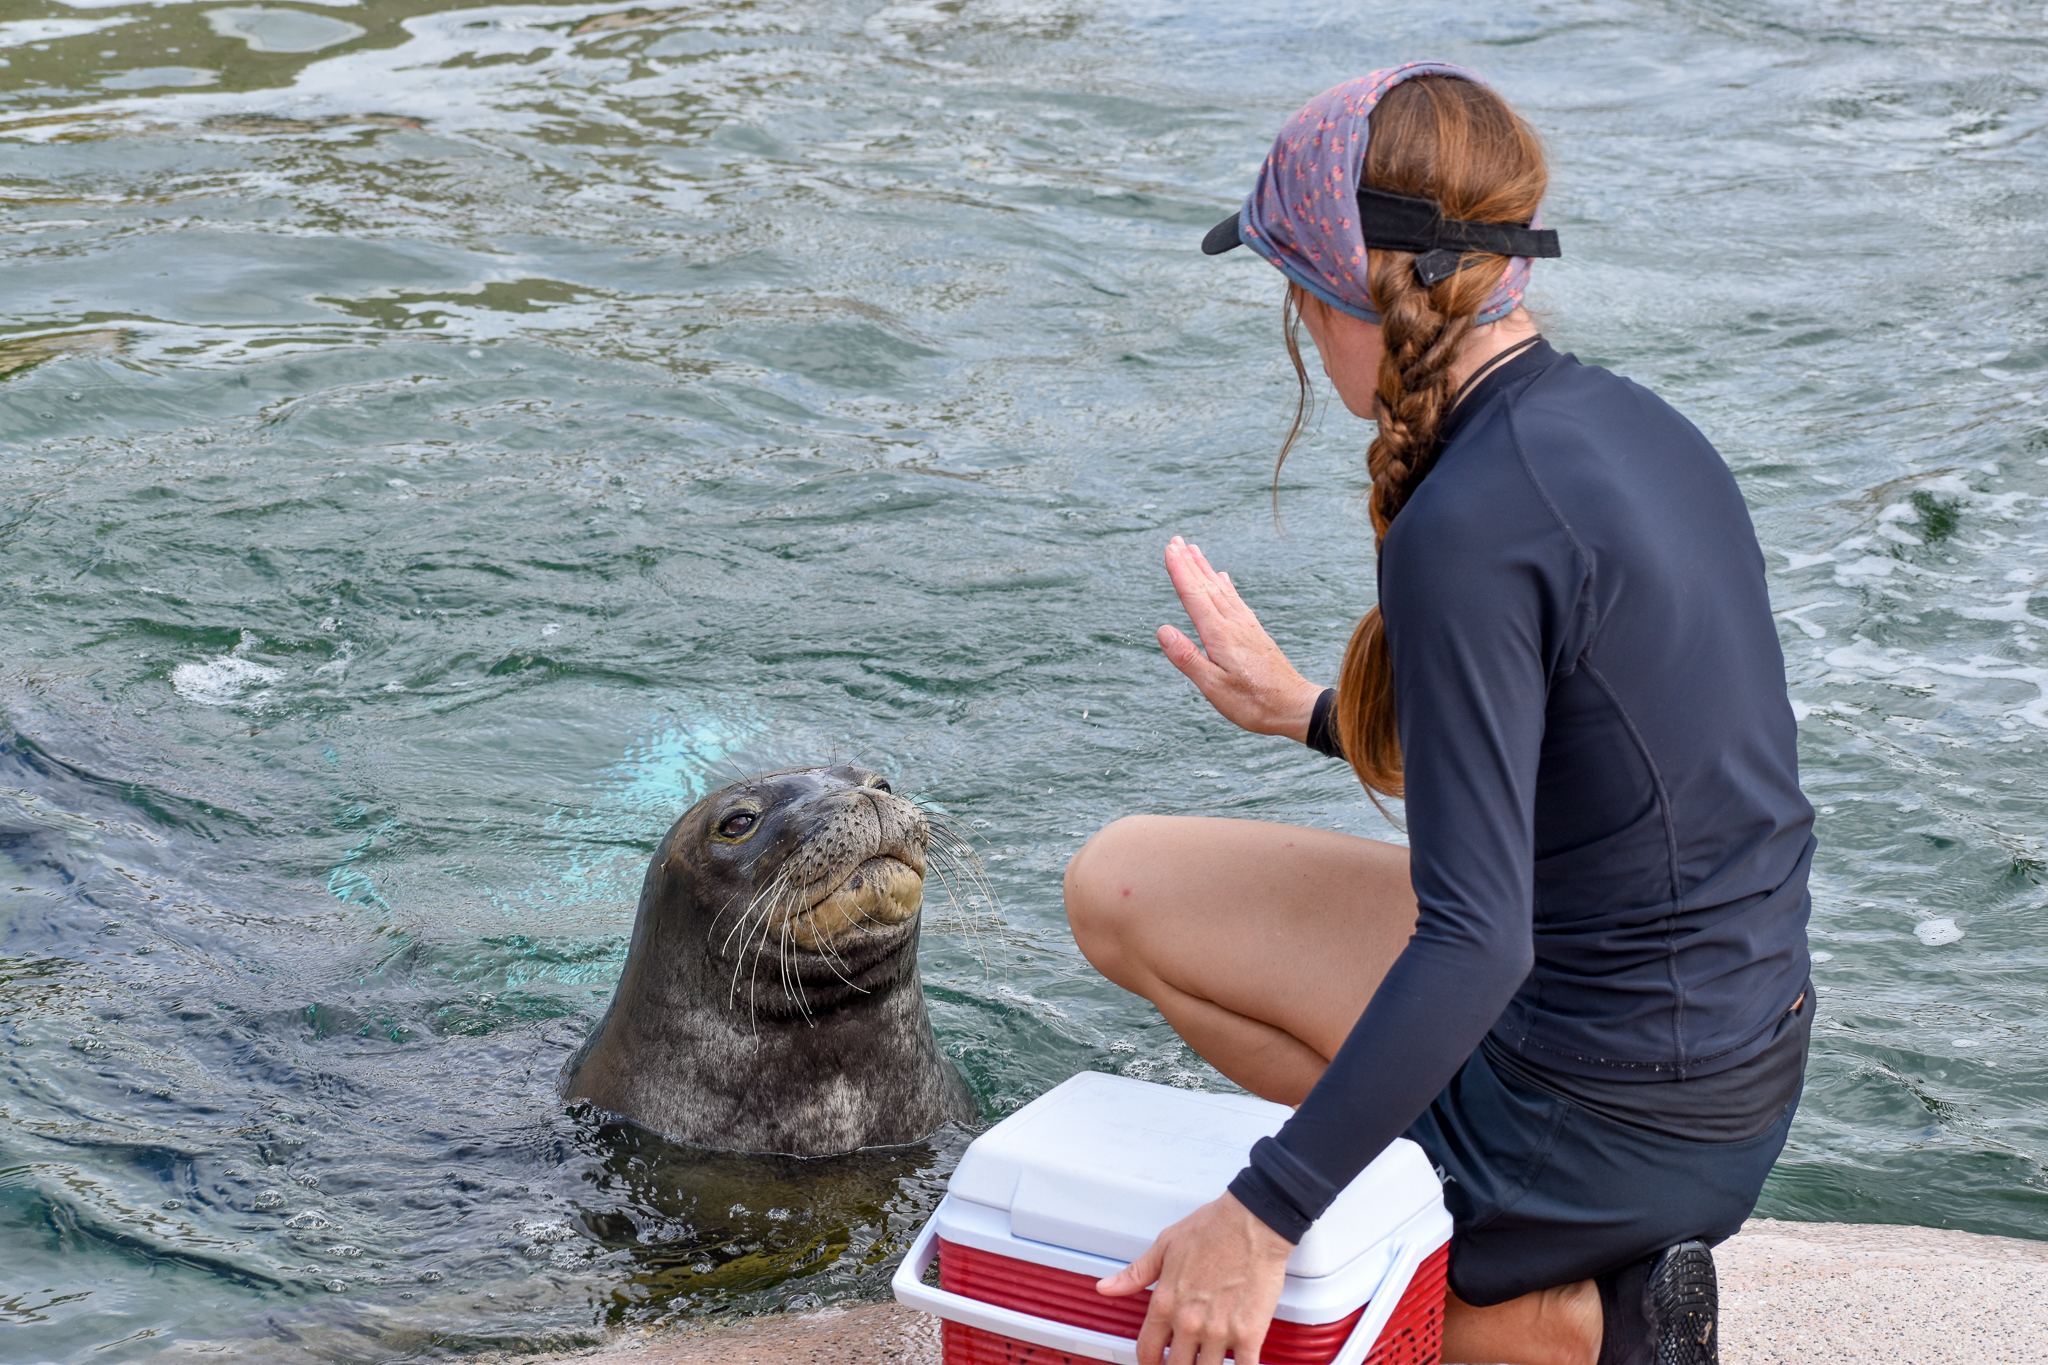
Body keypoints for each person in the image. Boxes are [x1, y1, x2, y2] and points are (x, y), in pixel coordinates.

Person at [1063, 63, 1814, 1365]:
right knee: (1122, 887)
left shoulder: (1466, 522)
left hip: (1607, 1108)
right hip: (1732, 1055)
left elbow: (1478, 941)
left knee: (1250, 1296)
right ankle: (1488, 1214)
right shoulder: (1637, 426)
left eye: (1296, 285)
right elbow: (1587, 777)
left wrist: (1266, 1215)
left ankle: (1571, 1315)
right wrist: (1306, 713)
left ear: (1342, 289)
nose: (1298, 320)